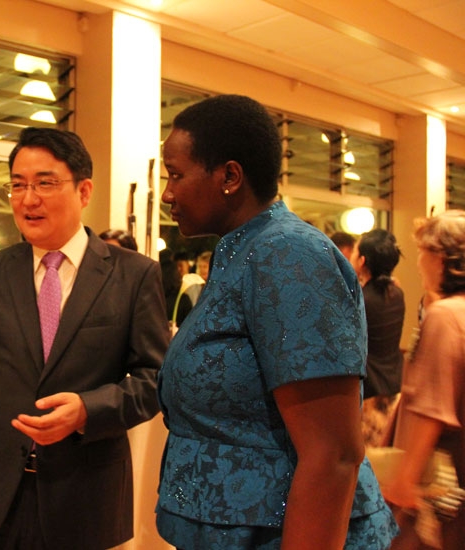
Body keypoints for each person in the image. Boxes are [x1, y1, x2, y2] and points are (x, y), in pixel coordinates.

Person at [0, 127, 170, 550]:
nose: (28, 198)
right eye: (17, 185)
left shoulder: (134, 275)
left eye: (44, 183)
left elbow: (155, 379)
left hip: (82, 496)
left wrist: (88, 411)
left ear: (84, 190)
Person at [156, 94, 397, 549]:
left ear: (230, 176)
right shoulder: (243, 250)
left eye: (176, 175)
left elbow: (334, 453)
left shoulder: (288, 254)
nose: (168, 193)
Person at [382, 210, 465, 550]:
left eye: (422, 252)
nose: (418, 263)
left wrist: (403, 481)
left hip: (440, 491)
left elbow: (433, 411)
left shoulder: (445, 317)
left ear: (442, 259)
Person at [349, 229, 405, 446]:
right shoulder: (396, 294)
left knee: (368, 461)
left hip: (370, 392)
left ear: (362, 261)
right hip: (393, 387)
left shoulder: (362, 300)